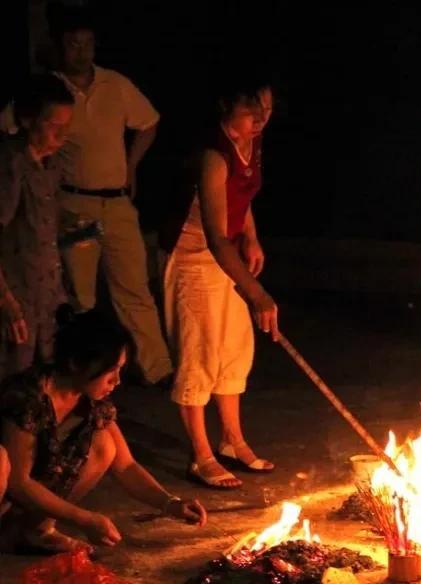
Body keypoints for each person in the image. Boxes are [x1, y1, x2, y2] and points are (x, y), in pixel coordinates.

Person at [0, 309, 206, 554]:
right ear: (77, 363)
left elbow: (126, 466)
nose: (117, 380)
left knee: (104, 445)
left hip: (24, 495)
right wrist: (85, 519)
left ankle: (37, 530)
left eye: (120, 369)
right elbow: (18, 482)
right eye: (110, 371)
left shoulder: (91, 399)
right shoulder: (28, 396)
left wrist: (170, 503)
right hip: (6, 490)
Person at [160, 74, 278, 489]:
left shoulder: (252, 141)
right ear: (227, 108)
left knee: (234, 346)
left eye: (266, 107)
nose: (261, 117)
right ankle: (201, 454)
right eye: (252, 109)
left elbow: (241, 198)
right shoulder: (213, 154)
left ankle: (232, 440)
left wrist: (251, 235)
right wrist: (257, 292)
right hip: (194, 254)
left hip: (225, 251)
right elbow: (212, 233)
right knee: (199, 351)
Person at [52, 8, 173, 386]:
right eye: (73, 44)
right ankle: (82, 372)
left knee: (134, 288)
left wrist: (131, 166)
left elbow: (149, 122)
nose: (81, 51)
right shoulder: (51, 90)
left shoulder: (114, 84)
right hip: (75, 204)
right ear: (60, 47)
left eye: (87, 43)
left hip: (118, 203)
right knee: (80, 296)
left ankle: (159, 370)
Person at [0, 74, 74, 378]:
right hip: (17, 296)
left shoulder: (52, 164)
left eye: (67, 126)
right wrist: (7, 303)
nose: (63, 135)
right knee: (17, 384)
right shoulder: (11, 164)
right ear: (29, 120)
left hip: (47, 295)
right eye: (54, 126)